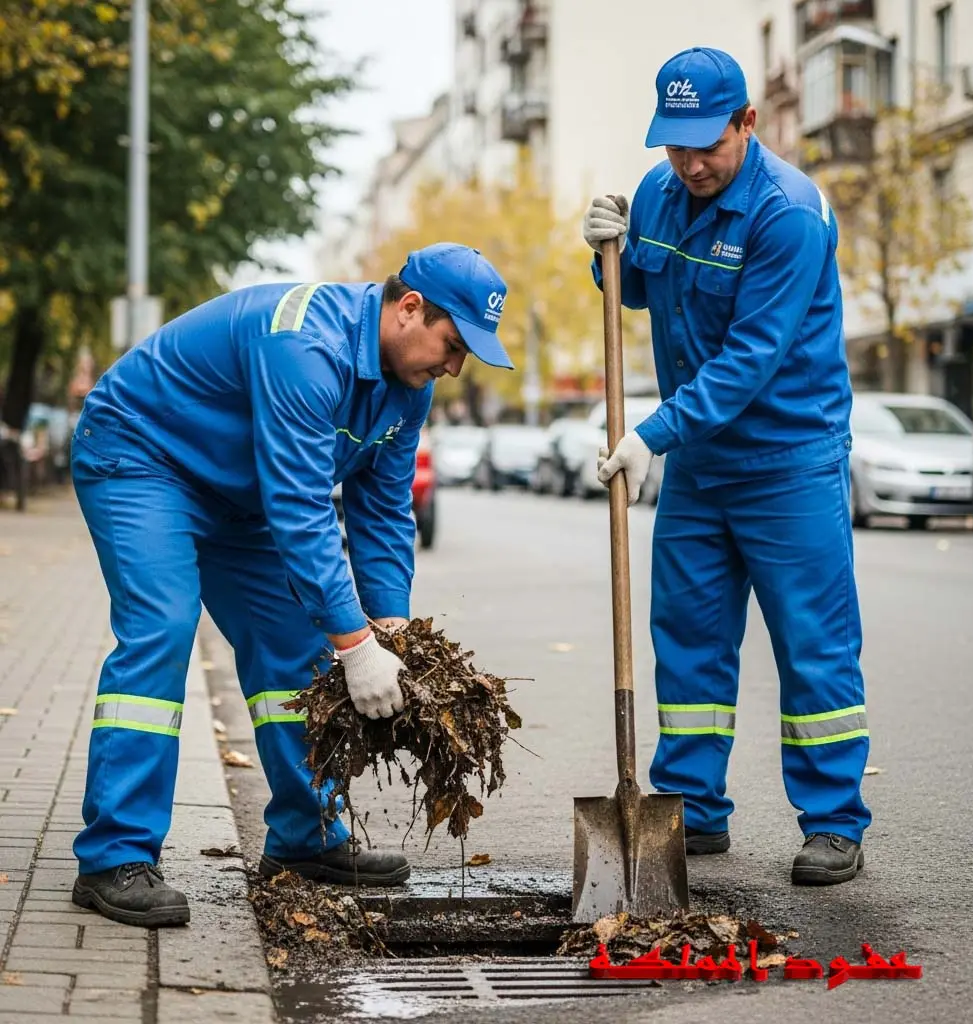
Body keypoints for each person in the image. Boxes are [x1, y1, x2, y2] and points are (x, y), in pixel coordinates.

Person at [69, 243, 513, 926]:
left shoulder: (409, 390)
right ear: (409, 308)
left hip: (236, 495)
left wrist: (389, 627)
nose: (453, 368)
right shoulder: (304, 345)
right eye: (453, 345)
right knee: (163, 624)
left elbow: (385, 510)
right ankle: (115, 854)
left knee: (291, 649)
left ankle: (307, 839)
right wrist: (355, 645)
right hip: (141, 455)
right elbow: (300, 507)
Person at [583, 47, 870, 885]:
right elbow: (634, 288)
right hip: (704, 465)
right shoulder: (661, 195)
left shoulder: (789, 213)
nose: (691, 163)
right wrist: (604, 251)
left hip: (788, 459)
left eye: (707, 143)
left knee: (812, 643)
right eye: (675, 145)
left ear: (749, 122)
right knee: (690, 640)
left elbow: (750, 359)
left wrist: (652, 435)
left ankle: (833, 821)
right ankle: (690, 807)